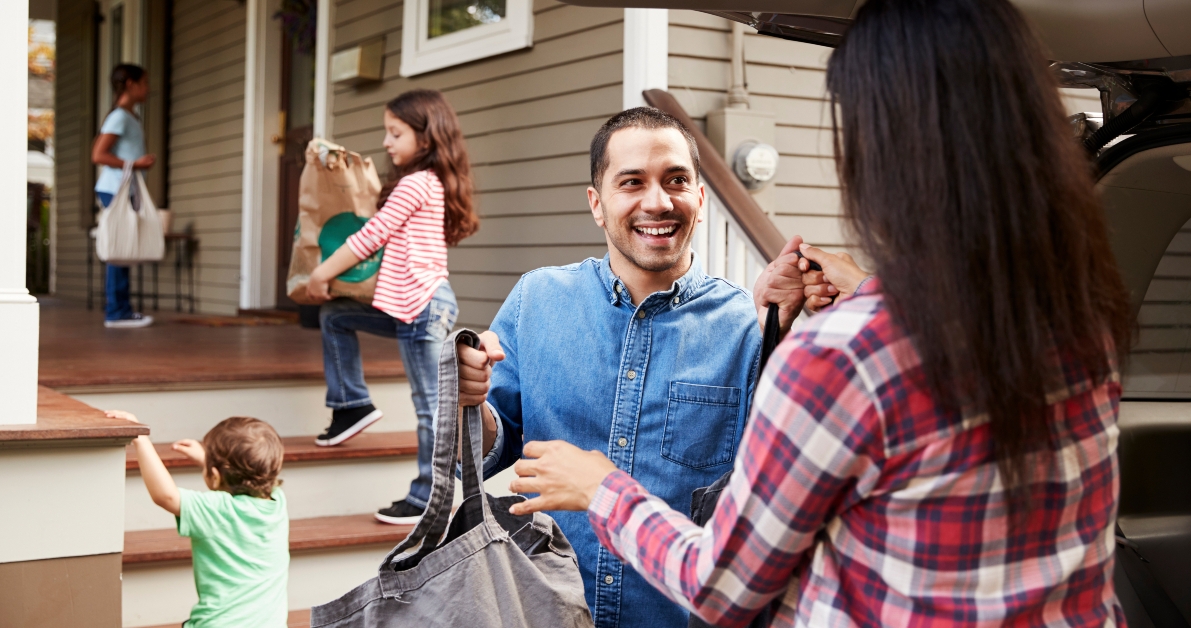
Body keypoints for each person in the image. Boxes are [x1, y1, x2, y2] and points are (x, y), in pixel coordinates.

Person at [505, 0, 1133, 626]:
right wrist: (868, 291)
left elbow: (723, 587)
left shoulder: (838, 355)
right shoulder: (1081, 324)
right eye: (631, 182)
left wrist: (599, 489)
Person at [453, 107, 834, 628]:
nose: (657, 201)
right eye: (631, 182)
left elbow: (776, 494)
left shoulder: (748, 327)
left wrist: (798, 335)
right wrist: (463, 401)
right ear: (597, 203)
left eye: (676, 179)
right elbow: (483, 451)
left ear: (700, 198)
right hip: (547, 610)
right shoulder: (536, 298)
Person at [305, 89, 478, 526]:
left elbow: (370, 237)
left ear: (425, 138)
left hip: (423, 308)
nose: (386, 141)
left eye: (395, 133)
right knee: (334, 316)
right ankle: (352, 404)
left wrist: (322, 273)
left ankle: (429, 498)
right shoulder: (425, 182)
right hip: (409, 305)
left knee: (429, 406)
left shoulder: (418, 182)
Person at [112, 411, 289, 627]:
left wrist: (141, 439)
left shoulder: (218, 510)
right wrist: (208, 461)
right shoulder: (277, 502)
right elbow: (245, 478)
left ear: (214, 476)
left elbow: (166, 496)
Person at [91, 63, 156, 328]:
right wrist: (136, 165)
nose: (148, 89)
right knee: (119, 247)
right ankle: (116, 312)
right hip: (114, 189)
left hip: (123, 188)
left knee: (124, 247)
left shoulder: (129, 117)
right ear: (131, 84)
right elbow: (99, 155)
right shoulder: (118, 117)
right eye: (145, 83)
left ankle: (122, 309)